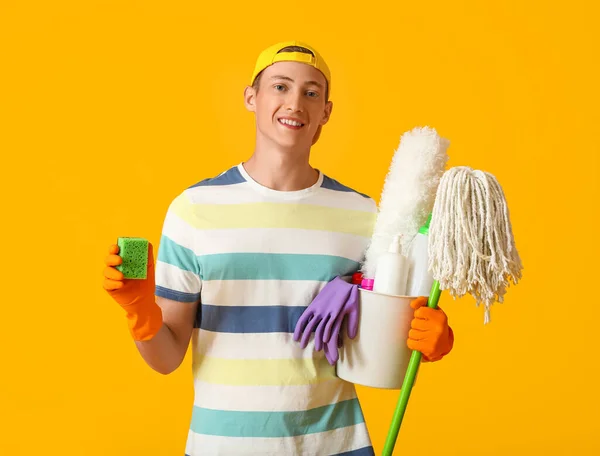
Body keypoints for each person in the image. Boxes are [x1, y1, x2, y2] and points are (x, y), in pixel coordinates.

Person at [102, 40, 454, 456]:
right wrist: (140, 312)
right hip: (223, 447)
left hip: (334, 444)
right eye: (280, 87)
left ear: (326, 111)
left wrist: (431, 340)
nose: (295, 104)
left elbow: (384, 339)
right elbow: (166, 358)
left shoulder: (363, 215)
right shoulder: (194, 209)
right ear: (252, 98)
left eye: (311, 93)